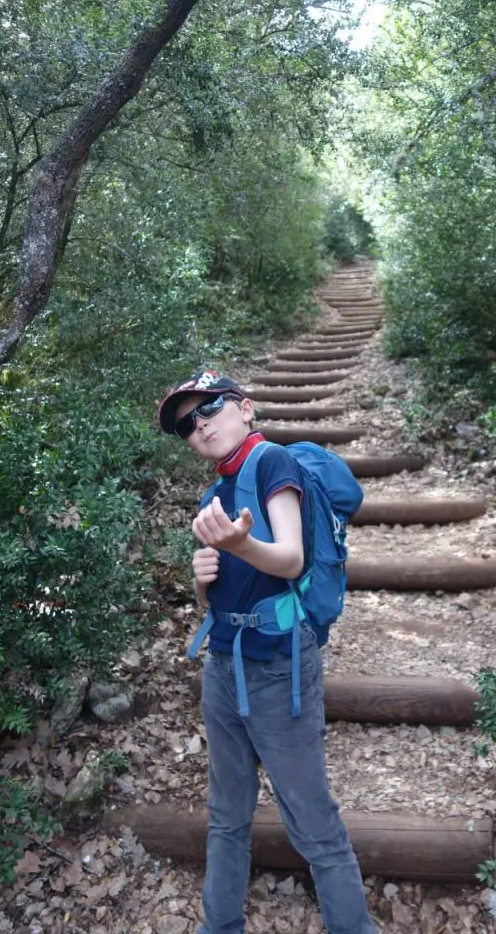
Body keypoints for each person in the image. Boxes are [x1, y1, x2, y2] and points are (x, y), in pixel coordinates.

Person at [158, 370, 379, 934]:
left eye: (208, 408)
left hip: (280, 666)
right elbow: (219, 595)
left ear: (246, 409)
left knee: (311, 819)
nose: (199, 425)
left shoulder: (272, 463)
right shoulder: (216, 492)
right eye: (186, 424)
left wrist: (239, 543)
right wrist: (201, 577)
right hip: (223, 666)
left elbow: (290, 559)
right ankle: (220, 924)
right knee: (226, 815)